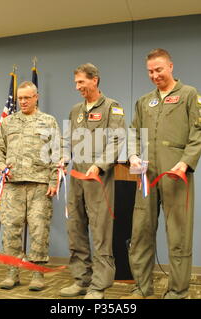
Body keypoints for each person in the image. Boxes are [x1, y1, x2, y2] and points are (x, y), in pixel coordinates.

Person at [123, 49, 201, 299]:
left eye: (159, 69)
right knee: (140, 233)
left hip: (176, 174)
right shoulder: (144, 100)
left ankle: (178, 292)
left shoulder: (189, 95)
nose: (154, 75)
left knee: (179, 236)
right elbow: (133, 133)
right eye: (150, 71)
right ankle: (141, 287)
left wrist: (185, 163)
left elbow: (198, 133)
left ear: (170, 66)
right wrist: (133, 155)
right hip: (147, 177)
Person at [59, 63, 126, 299]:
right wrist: (63, 157)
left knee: (100, 232)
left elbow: (117, 141)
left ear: (95, 80)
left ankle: (99, 286)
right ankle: (81, 280)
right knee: (75, 228)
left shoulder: (112, 108)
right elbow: (67, 140)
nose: (78, 87)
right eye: (76, 82)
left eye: (81, 82)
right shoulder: (75, 110)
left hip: (99, 178)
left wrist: (100, 165)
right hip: (76, 178)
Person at [0, 81, 61, 291]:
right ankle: (12, 272)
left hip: (40, 185)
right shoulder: (8, 122)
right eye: (20, 98)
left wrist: (54, 179)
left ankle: (37, 272)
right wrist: (2, 166)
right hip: (12, 185)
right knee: (10, 229)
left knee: (39, 230)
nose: (22, 101)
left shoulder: (48, 121)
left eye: (27, 97)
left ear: (36, 97)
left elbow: (57, 152)